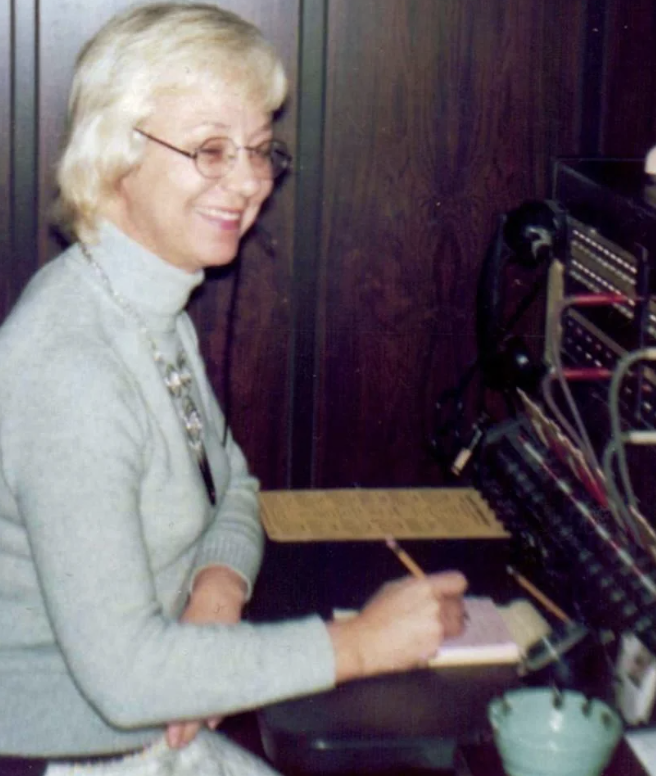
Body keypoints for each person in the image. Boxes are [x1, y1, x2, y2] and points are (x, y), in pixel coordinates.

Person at [0, 4, 467, 775]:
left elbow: (234, 486)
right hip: (62, 753)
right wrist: (359, 644)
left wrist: (216, 590)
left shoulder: (148, 307)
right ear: (114, 156)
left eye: (258, 150)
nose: (250, 182)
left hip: (145, 726)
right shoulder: (71, 365)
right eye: (210, 150)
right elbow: (128, 683)